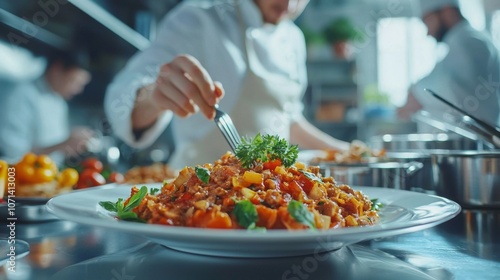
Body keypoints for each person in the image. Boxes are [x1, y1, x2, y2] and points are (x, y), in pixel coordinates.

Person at [105, 0, 350, 169]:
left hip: (271, 195)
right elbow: (122, 96)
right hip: (198, 196)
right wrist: (153, 97)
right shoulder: (198, 17)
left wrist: (347, 152)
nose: (289, 4)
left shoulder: (294, 37)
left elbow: (288, 119)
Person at [398, 0, 500, 129]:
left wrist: (417, 93)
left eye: (427, 20)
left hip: (474, 143)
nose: (427, 32)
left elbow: (457, 89)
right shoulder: (462, 41)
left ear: (447, 10)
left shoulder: (469, 41)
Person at [0, 47, 94, 164]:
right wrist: (63, 144)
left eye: (81, 85)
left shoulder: (59, 103)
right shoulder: (21, 94)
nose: (78, 90)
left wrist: (72, 145)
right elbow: (15, 155)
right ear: (57, 69)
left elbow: (56, 150)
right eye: (74, 81)